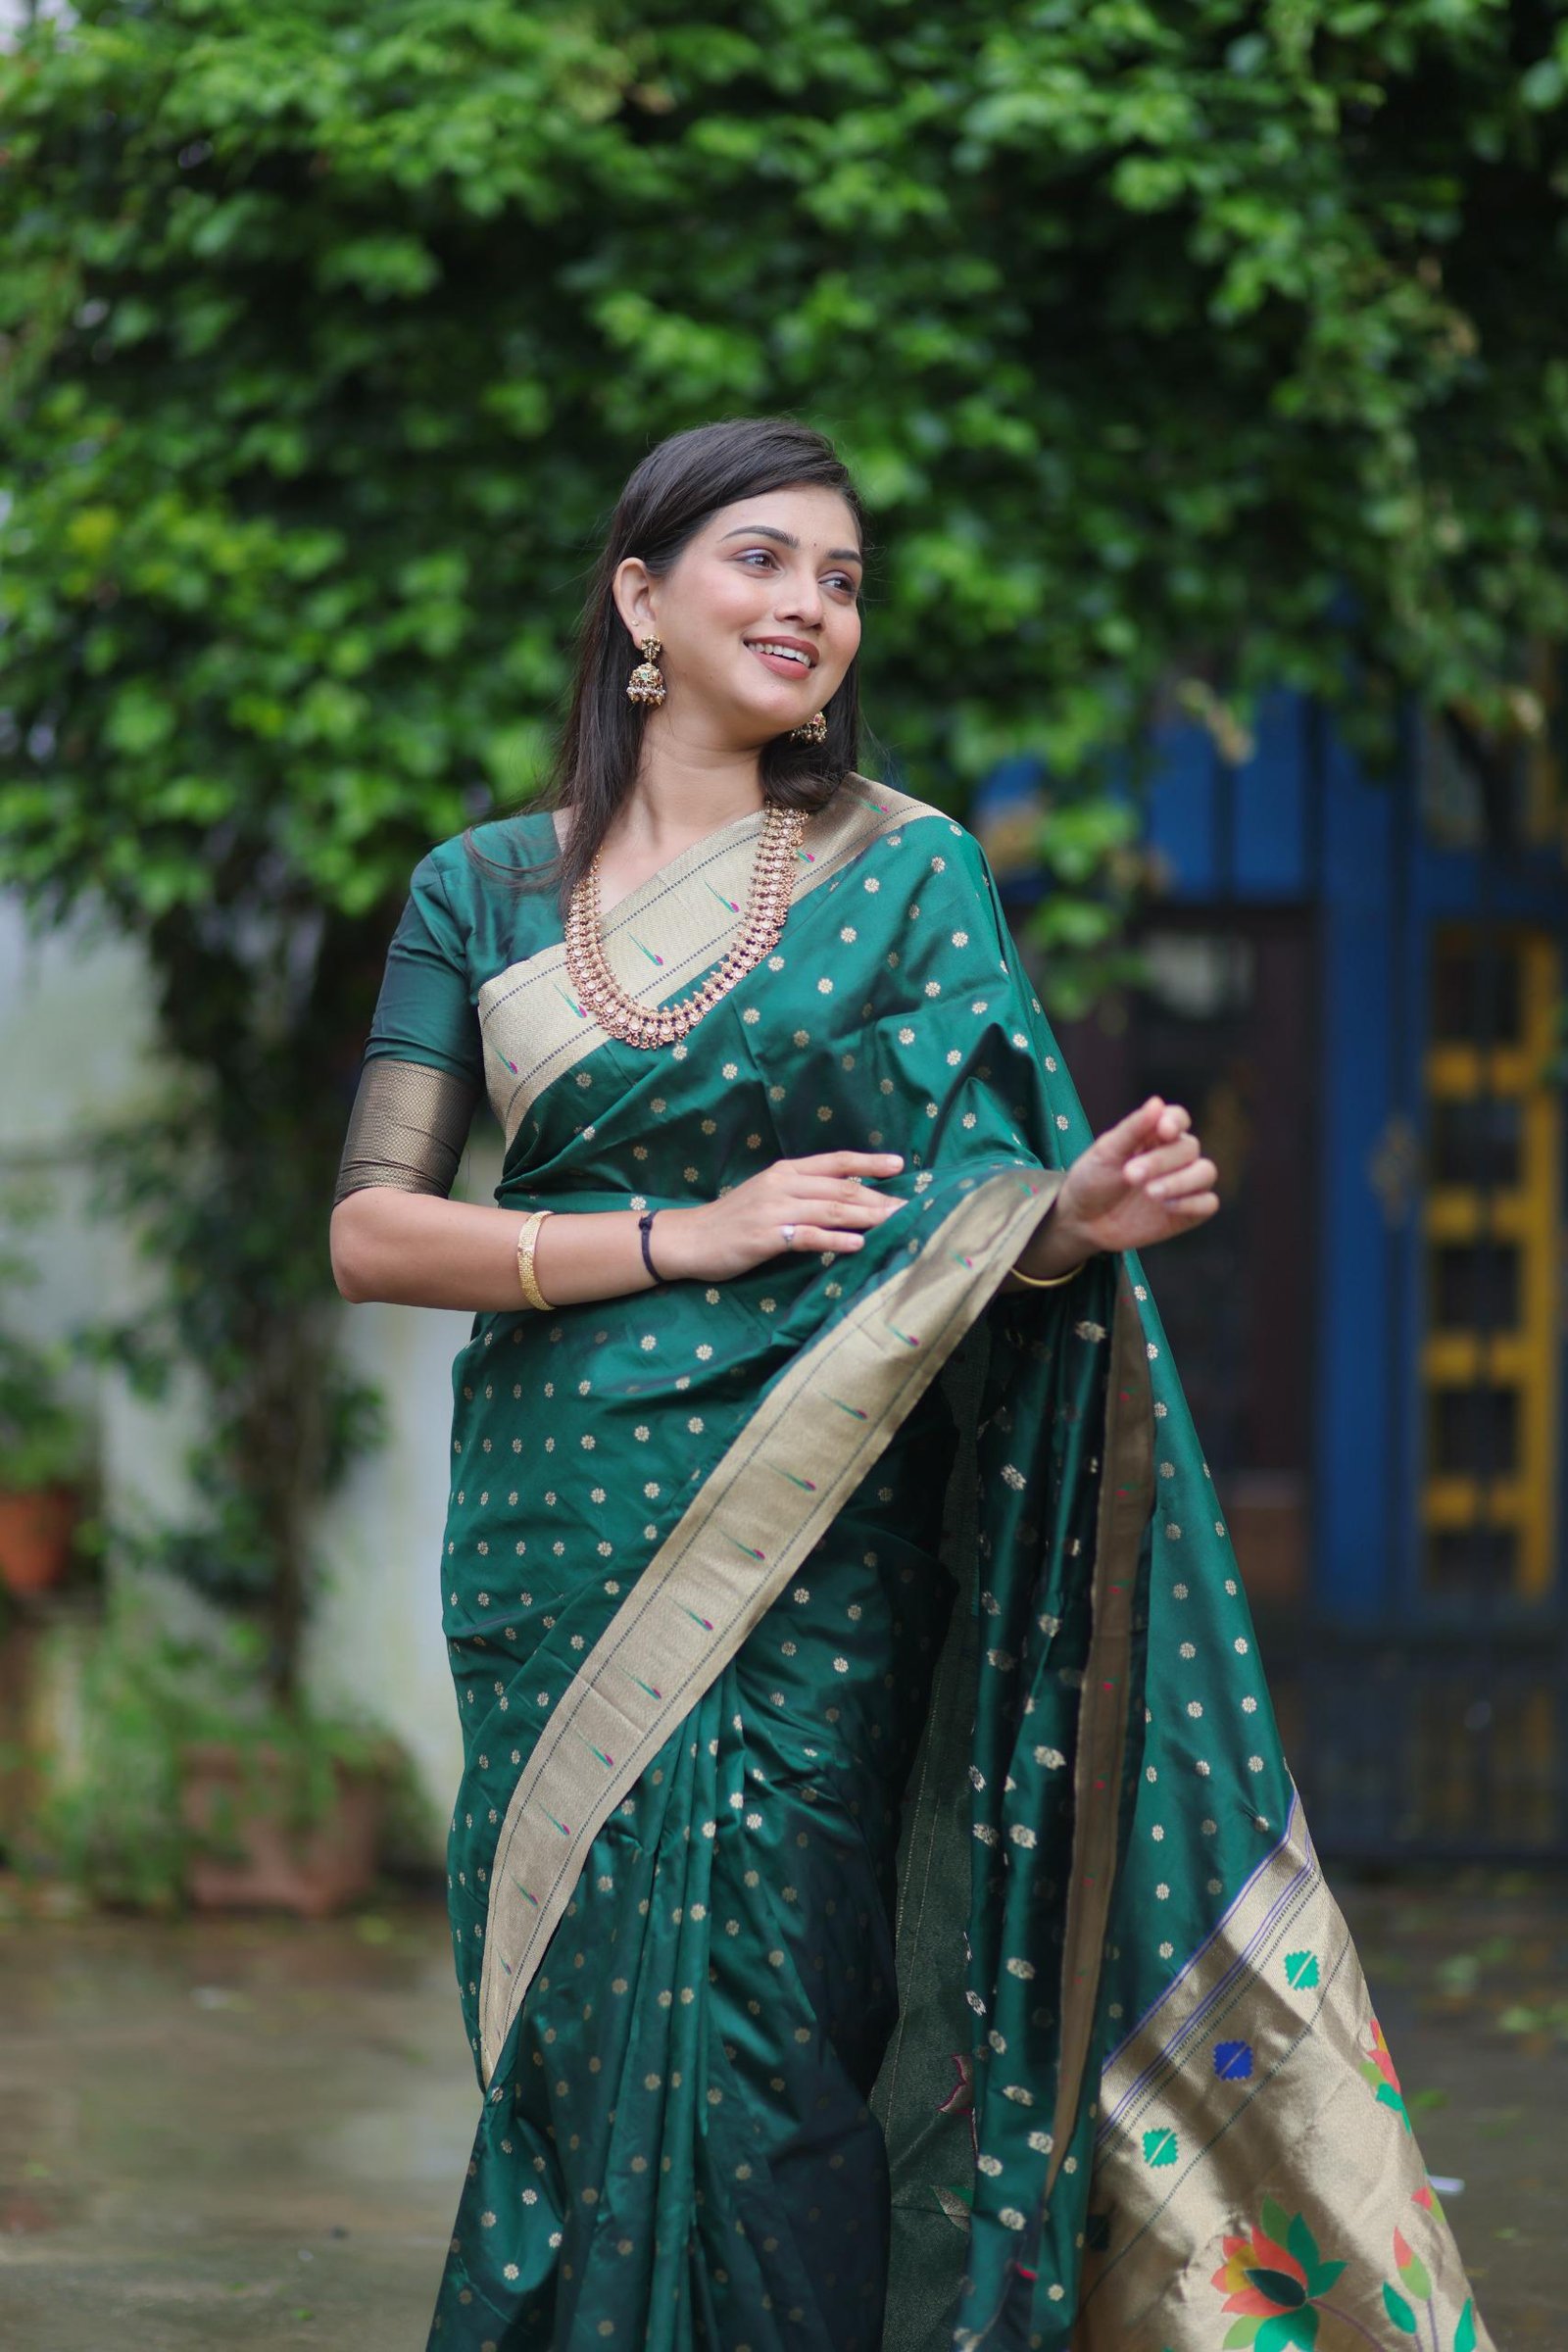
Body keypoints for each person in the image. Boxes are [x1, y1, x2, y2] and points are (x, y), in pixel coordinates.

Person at [329, 418, 1491, 2352]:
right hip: (555, 1532)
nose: (811, 604)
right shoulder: (485, 893)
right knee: (574, 2030)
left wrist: (1067, 1215)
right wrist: (678, 1235)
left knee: (784, 2008)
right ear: (639, 599)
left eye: (843, 579)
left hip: (810, 1532)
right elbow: (374, 1228)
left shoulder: (907, 874)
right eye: (763, 559)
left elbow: (966, 1205)